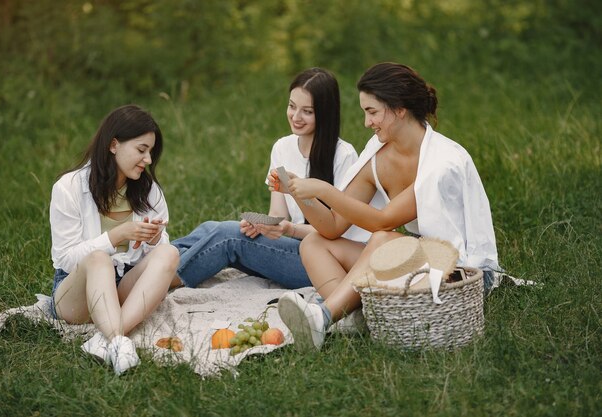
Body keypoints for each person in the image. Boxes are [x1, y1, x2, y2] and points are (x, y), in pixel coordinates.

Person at [272, 62, 500, 351]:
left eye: (372, 112)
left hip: (457, 271)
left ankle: (324, 315)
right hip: (413, 263)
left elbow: (382, 221)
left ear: (399, 109)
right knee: (314, 243)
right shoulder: (378, 153)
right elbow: (332, 226)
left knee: (383, 239)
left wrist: (324, 190)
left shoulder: (441, 162)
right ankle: (350, 318)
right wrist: (299, 193)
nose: (367, 122)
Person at [171, 67, 358, 289]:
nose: (295, 117)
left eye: (307, 111)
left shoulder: (344, 156)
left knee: (227, 236)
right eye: (291, 106)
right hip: (292, 245)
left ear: (325, 112)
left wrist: (290, 228)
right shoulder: (282, 148)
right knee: (210, 228)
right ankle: (148, 263)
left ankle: (160, 281)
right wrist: (262, 226)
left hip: (323, 262)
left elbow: (340, 231)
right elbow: (278, 215)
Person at [49, 105, 180, 375]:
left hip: (122, 288)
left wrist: (154, 240)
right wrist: (116, 236)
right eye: (141, 150)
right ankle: (119, 339)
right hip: (76, 298)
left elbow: (155, 258)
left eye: (151, 153)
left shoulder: (149, 191)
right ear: (113, 145)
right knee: (98, 259)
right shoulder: (69, 187)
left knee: (169, 253)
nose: (148, 160)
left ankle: (109, 338)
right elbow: (64, 259)